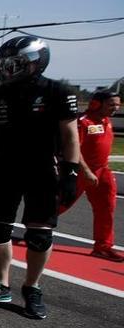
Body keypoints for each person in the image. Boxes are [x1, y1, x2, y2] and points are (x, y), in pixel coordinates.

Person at [0, 36, 79, 319]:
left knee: (39, 234)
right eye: (4, 65)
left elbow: (70, 135)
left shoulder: (58, 91)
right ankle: (1, 284)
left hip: (42, 168)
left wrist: (71, 171)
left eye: (15, 64)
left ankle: (32, 287)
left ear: (36, 62)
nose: (8, 70)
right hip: (4, 167)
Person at [61, 89, 121, 262]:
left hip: (103, 171)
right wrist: (86, 171)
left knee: (107, 208)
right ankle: (37, 227)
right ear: (96, 104)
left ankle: (103, 246)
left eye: (117, 104)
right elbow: (73, 148)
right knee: (62, 203)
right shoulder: (83, 122)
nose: (115, 108)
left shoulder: (107, 122)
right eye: (111, 104)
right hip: (80, 170)